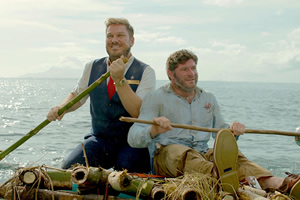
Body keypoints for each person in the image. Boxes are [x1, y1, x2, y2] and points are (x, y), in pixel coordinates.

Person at [128, 49, 300, 198]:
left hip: (203, 155)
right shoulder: (156, 98)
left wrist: (232, 132)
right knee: (182, 153)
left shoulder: (208, 98)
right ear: (170, 74)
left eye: (193, 68)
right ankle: (226, 179)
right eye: (184, 69)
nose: (191, 73)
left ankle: (279, 183)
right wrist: (153, 129)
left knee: (234, 156)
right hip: (167, 155)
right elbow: (133, 138)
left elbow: (220, 132)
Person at [47, 18, 156, 173]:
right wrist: (61, 107)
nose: (114, 40)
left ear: (131, 41)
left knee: (124, 177)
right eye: (110, 36)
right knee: (69, 170)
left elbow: (138, 113)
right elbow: (77, 94)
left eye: (120, 36)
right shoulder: (92, 66)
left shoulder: (146, 71)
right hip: (99, 140)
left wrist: (120, 81)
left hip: (132, 143)